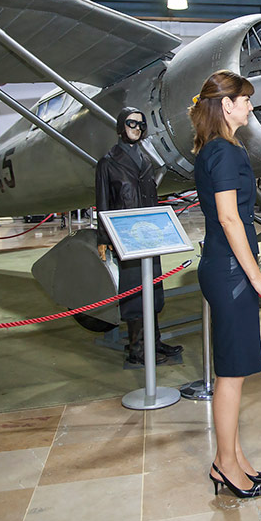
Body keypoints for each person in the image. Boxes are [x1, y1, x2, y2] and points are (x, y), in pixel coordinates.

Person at [189, 69, 261, 499]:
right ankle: (224, 466)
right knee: (230, 375)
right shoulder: (225, 154)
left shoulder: (218, 148)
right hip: (230, 270)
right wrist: (258, 278)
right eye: (245, 99)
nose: (250, 105)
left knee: (237, 372)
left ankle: (236, 457)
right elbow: (230, 218)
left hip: (223, 267)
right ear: (226, 106)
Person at [96, 107, 183, 367]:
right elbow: (102, 202)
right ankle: (136, 348)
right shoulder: (108, 162)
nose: (136, 128)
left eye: (140, 124)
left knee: (153, 287)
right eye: (131, 123)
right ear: (121, 126)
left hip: (150, 234)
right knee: (135, 291)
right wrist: (104, 237)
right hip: (127, 236)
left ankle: (153, 342)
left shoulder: (145, 158)